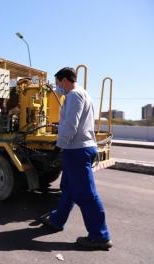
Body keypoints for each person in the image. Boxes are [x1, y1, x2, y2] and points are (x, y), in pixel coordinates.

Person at [41, 67, 112, 250]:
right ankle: (57, 220)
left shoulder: (73, 95)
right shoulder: (83, 94)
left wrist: (59, 146)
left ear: (65, 80)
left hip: (77, 150)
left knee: (86, 195)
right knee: (69, 189)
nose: (57, 88)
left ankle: (100, 236)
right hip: (78, 148)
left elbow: (70, 125)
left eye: (57, 83)